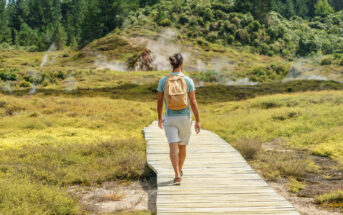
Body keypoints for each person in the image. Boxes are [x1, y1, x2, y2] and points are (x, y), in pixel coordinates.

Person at [156, 53, 200, 185]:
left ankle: (176, 174)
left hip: (170, 118)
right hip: (185, 118)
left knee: (172, 147)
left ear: (172, 64)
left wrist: (159, 118)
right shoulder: (188, 80)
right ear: (182, 64)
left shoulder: (164, 80)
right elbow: (193, 102)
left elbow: (159, 102)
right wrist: (197, 120)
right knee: (182, 147)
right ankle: (179, 171)